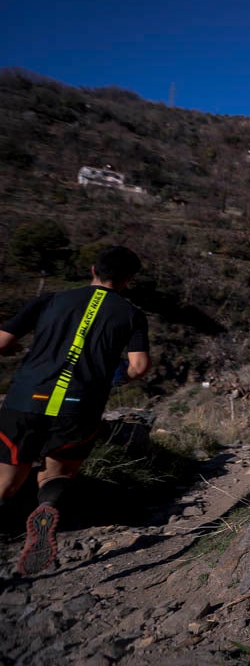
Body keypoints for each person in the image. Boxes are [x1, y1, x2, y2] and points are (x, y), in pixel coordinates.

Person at [0, 245, 150, 575]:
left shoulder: (50, 299)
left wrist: (17, 350)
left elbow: (1, 341)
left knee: (7, 480)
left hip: (25, 399)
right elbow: (139, 367)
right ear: (128, 280)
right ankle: (47, 507)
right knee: (58, 474)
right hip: (79, 405)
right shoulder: (130, 313)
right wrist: (114, 375)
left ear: (93, 270)